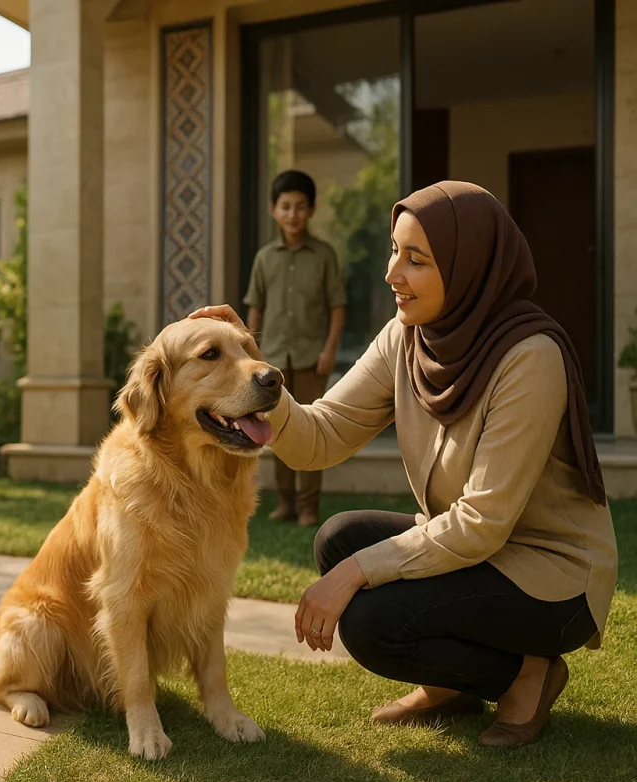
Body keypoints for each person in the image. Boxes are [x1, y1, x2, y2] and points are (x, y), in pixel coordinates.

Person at [191, 181, 617, 748]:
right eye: (395, 251)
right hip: (480, 552)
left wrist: (357, 573)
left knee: (372, 624)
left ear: (468, 266)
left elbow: (481, 522)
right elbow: (323, 434)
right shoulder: (408, 337)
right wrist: (253, 367)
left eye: (416, 259)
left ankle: (527, 675)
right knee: (338, 539)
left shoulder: (529, 357)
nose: (392, 272)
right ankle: (455, 685)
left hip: (549, 575)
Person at [243, 169, 346, 526]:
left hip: (311, 358)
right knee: (276, 431)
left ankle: (308, 506)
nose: (293, 214)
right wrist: (251, 354)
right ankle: (285, 503)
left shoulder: (324, 256)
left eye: (300, 207)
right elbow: (255, 307)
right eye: (285, 206)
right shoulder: (264, 258)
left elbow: (337, 306)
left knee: (312, 431)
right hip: (272, 360)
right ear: (273, 209)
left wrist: (329, 350)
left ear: (311, 210)